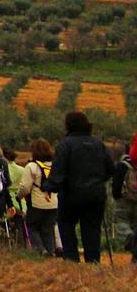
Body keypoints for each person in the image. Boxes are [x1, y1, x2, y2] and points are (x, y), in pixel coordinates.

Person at [47, 111, 115, 263]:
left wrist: (49, 187)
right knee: (92, 230)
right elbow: (111, 169)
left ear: (68, 125)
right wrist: (98, 180)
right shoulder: (98, 144)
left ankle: (71, 262)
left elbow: (58, 172)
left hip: (71, 195)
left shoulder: (65, 145)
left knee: (67, 226)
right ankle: (93, 263)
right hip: (95, 195)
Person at [18, 138, 58, 256]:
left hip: (36, 203)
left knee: (32, 227)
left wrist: (18, 196)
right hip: (53, 203)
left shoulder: (32, 166)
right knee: (48, 229)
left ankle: (41, 250)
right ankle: (51, 252)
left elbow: (25, 187)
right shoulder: (54, 166)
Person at [111, 137, 137, 267]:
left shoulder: (123, 165)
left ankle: (131, 240)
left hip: (124, 199)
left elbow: (116, 186)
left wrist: (116, 196)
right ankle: (135, 259)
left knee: (122, 223)